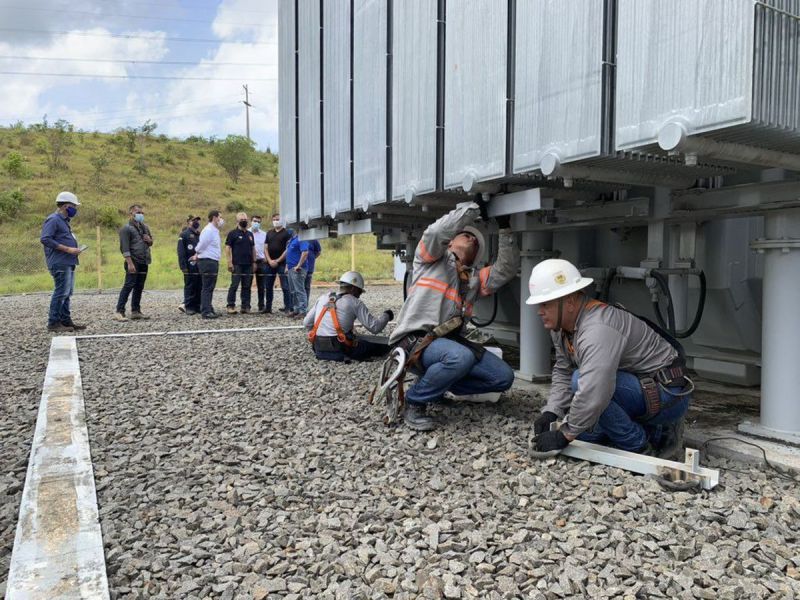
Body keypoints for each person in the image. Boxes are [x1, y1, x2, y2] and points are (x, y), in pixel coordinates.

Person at [527, 258, 691, 458]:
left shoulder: (597, 329)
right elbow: (563, 368)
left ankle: (640, 445)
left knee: (582, 383)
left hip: (668, 395)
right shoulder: (561, 328)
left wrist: (564, 434)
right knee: (587, 436)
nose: (539, 311)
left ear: (569, 302)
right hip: (641, 386)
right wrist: (552, 411)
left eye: (545, 304)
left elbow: (594, 389)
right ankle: (655, 431)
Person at [388, 197, 518, 431]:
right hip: (414, 341)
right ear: (449, 243)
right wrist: (473, 209)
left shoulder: (473, 280)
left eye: (477, 242)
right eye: (465, 234)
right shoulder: (429, 260)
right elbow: (436, 232)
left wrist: (505, 228)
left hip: (447, 345)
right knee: (460, 357)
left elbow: (506, 270)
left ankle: (434, 386)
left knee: (503, 377)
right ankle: (415, 401)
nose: (472, 239)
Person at [304, 271, 394, 362]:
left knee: (355, 338)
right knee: (380, 347)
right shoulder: (354, 302)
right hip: (341, 350)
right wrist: (387, 315)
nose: (359, 296)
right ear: (353, 289)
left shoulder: (323, 298)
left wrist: (325, 331)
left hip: (319, 350)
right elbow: (375, 328)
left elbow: (307, 323)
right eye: (359, 292)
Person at [39, 191, 86, 333]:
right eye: (73, 206)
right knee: (61, 292)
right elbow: (45, 238)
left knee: (67, 292)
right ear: (66, 206)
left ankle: (65, 320)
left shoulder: (64, 222)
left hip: (68, 261)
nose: (75, 209)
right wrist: (67, 249)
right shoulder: (53, 219)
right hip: (60, 261)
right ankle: (53, 322)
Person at [114, 204, 154, 321]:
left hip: (144, 260)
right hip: (133, 260)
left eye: (142, 212)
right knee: (129, 285)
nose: (140, 214)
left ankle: (136, 310)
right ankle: (119, 311)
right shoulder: (126, 229)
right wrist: (130, 263)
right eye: (137, 212)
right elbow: (124, 248)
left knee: (139, 286)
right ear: (131, 213)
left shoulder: (145, 227)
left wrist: (149, 240)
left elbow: (151, 241)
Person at [194, 210, 225, 319]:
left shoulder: (214, 230)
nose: (221, 220)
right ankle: (206, 311)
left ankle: (209, 308)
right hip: (207, 261)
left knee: (210, 286)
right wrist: (196, 253)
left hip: (212, 260)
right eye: (220, 217)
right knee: (207, 287)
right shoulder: (208, 230)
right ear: (214, 218)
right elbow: (202, 244)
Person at [225, 212, 256, 314]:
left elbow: (253, 248)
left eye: (245, 219)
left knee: (247, 286)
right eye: (241, 220)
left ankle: (245, 306)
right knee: (234, 285)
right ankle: (230, 305)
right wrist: (229, 262)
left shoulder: (250, 234)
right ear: (237, 221)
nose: (244, 221)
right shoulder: (232, 233)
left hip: (248, 264)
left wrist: (254, 262)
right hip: (237, 264)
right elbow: (227, 248)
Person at [264, 213, 292, 313]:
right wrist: (269, 260)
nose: (276, 221)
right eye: (274, 219)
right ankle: (268, 307)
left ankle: (288, 307)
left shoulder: (287, 233)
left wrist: (278, 260)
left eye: (278, 219)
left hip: (282, 263)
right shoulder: (269, 233)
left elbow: (288, 249)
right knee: (268, 286)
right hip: (269, 263)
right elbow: (265, 248)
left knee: (285, 286)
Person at [177, 215, 202, 315]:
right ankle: (189, 306)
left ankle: (198, 306)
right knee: (190, 285)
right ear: (188, 222)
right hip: (189, 265)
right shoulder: (184, 234)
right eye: (193, 220)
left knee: (199, 285)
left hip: (199, 265)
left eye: (197, 220)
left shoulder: (200, 234)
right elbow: (181, 252)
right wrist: (183, 266)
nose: (196, 222)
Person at [285, 229, 310, 318]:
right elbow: (289, 253)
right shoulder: (292, 239)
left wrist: (299, 265)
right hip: (291, 268)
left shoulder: (302, 239)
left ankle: (303, 311)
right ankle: (296, 309)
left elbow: (305, 252)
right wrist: (287, 267)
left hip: (298, 269)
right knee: (293, 291)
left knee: (299, 290)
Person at [250, 215, 269, 312]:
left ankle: (261, 305)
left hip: (261, 261)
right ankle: (246, 306)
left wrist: (266, 258)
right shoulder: (247, 233)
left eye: (258, 221)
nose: (256, 223)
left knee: (262, 285)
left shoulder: (264, 234)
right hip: (249, 262)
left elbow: (266, 247)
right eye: (254, 221)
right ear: (251, 221)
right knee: (247, 284)